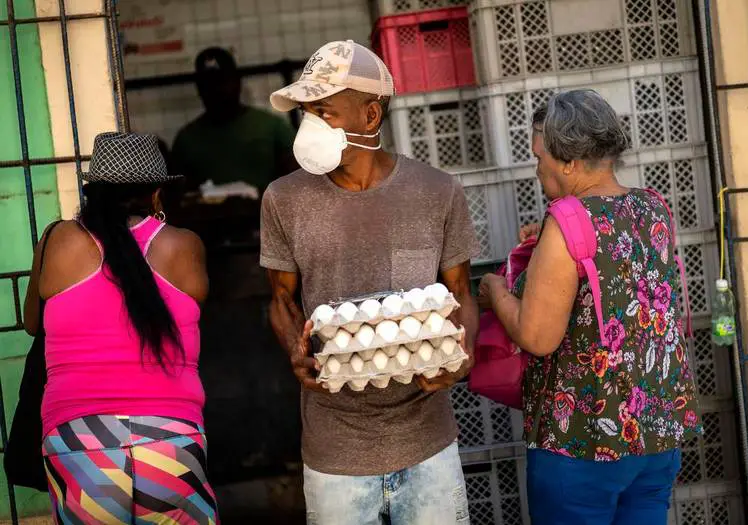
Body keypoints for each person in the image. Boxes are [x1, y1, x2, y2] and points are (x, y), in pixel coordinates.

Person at [261, 40, 480, 525]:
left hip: (427, 441)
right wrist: (295, 352)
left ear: (370, 116)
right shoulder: (284, 199)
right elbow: (279, 297)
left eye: (324, 112)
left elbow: (462, 291)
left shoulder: (437, 191)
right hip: (335, 447)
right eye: (305, 114)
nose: (310, 126)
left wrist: (462, 361)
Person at [479, 90, 700, 525]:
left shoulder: (566, 219)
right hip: (656, 433)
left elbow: (538, 337)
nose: (536, 165)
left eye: (539, 155)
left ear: (568, 161)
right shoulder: (652, 206)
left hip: (582, 441)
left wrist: (495, 293)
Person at [24, 132, 218, 524]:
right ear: (157, 193)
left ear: (91, 190)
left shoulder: (56, 240)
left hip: (78, 443)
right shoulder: (183, 247)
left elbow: (32, 324)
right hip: (170, 440)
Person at [172, 47, 297, 194]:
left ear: (238, 82)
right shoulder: (186, 140)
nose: (217, 90)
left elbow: (298, 183)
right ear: (199, 89)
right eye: (209, 84)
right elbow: (176, 197)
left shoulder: (272, 128)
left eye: (222, 81)